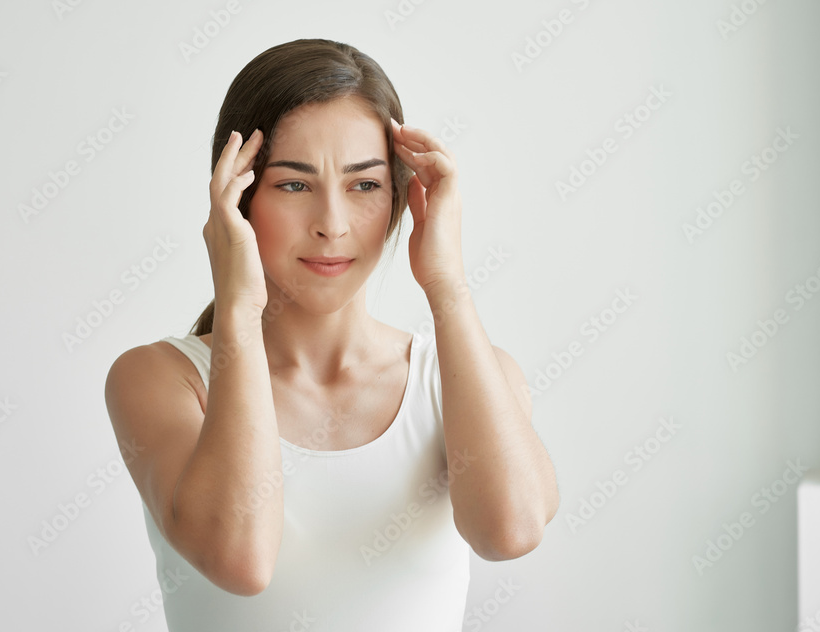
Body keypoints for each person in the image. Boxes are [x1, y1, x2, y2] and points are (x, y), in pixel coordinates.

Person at [104, 38, 559, 631]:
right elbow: (240, 561)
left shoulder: (467, 375)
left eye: (364, 185)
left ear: (400, 199)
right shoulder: (160, 379)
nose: (332, 225)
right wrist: (239, 306)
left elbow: (510, 531)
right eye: (295, 185)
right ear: (236, 198)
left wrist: (447, 286)